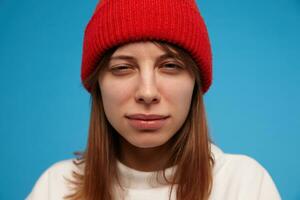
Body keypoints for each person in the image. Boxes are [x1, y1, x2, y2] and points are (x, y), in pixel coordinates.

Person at [26, 0, 281, 200]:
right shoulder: (54, 188)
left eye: (170, 65)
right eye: (123, 68)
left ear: (195, 82)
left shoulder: (245, 185)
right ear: (97, 85)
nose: (147, 93)